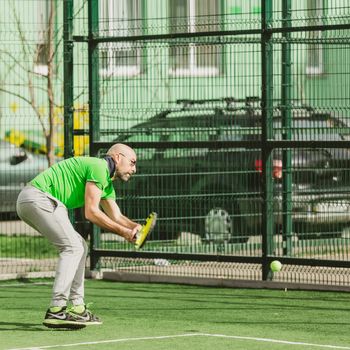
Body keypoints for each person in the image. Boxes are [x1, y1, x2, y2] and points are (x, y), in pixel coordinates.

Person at [16, 143, 142, 329]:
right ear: (117, 157)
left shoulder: (106, 182)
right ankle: (57, 310)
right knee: (73, 247)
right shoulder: (99, 167)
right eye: (132, 162)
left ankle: (77, 308)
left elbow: (116, 216)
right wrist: (123, 232)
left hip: (36, 200)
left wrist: (135, 227)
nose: (134, 169)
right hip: (38, 197)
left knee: (80, 246)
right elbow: (91, 212)